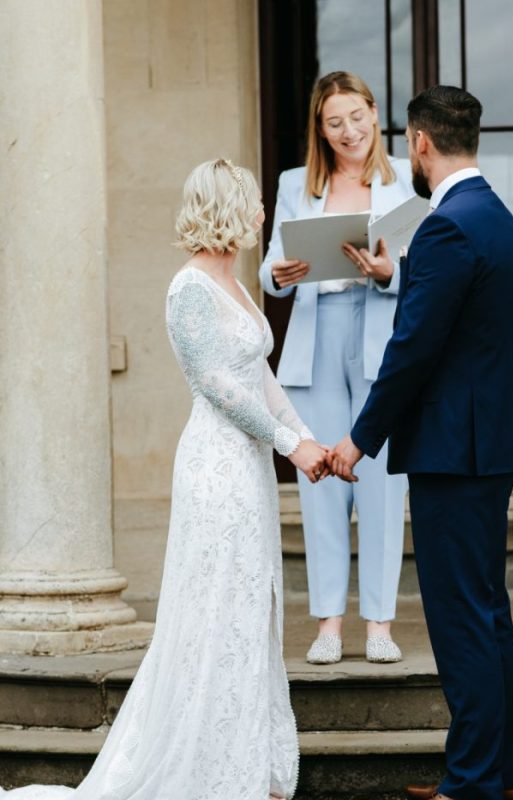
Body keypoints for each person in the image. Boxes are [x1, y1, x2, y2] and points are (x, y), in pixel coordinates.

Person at [1, 159, 329, 800]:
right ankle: (202, 767)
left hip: (251, 467)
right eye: (256, 201)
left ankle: (243, 754)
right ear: (229, 208)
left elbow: (260, 377)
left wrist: (306, 438)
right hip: (215, 466)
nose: (265, 211)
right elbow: (219, 387)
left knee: (247, 606)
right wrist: (292, 444)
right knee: (214, 609)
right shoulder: (189, 290)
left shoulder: (237, 286)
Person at [329, 85, 513, 800]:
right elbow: (462, 309)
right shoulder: (494, 217)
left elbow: (413, 349)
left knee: (460, 618)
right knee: (488, 613)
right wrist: (399, 272)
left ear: (418, 143)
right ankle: (497, 772)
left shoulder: (446, 226)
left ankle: (471, 782)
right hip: (489, 445)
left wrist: (357, 440)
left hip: (453, 450)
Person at [259, 71, 413, 665]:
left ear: (374, 114)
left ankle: (379, 624)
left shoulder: (405, 182)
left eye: (356, 117)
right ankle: (329, 625)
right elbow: (268, 269)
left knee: (380, 483)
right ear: (319, 130)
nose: (347, 130)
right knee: (319, 477)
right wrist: (279, 274)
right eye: (333, 122)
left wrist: (389, 274)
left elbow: (423, 271)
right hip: (315, 340)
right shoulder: (297, 183)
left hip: (379, 340)